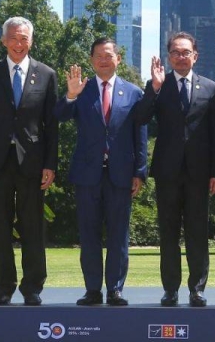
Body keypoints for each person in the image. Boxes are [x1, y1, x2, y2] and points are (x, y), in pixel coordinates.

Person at [0, 18, 59, 306]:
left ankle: (33, 287)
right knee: (1, 228)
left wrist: (50, 164)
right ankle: (3, 286)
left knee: (32, 227)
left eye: (24, 39)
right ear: (3, 41)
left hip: (32, 164)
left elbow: (51, 124)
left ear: (31, 41)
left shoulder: (46, 74)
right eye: (13, 39)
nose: (19, 44)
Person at [134, 32, 215, 308]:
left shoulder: (211, 88)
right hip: (167, 173)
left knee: (198, 234)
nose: (181, 57)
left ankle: (197, 289)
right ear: (168, 56)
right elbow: (140, 118)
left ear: (195, 56)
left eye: (186, 52)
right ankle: (170, 290)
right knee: (169, 235)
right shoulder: (159, 86)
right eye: (175, 52)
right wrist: (155, 88)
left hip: (199, 173)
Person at [56, 37, 147, 307]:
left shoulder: (133, 92)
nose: (104, 60)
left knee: (119, 236)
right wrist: (70, 95)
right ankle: (92, 290)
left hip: (121, 175)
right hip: (87, 176)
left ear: (118, 58)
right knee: (89, 235)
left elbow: (140, 134)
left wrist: (139, 171)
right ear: (91, 60)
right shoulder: (81, 90)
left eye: (109, 55)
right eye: (98, 56)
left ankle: (116, 289)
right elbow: (58, 116)